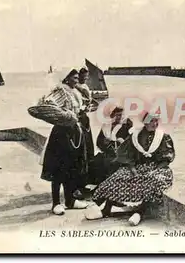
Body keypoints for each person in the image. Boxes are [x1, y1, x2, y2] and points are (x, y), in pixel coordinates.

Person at [84, 112, 175, 226]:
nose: (155, 123)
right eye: (152, 121)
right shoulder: (135, 136)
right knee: (117, 177)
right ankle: (106, 209)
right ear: (145, 122)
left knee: (152, 181)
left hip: (157, 168)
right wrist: (132, 168)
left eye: (156, 121)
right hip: (137, 166)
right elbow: (126, 154)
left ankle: (139, 212)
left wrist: (154, 170)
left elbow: (166, 158)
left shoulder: (163, 137)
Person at [40, 69, 89, 215]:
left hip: (74, 131)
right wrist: (64, 115)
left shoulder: (76, 91)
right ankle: (56, 203)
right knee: (59, 169)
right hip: (61, 134)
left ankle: (70, 200)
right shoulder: (61, 91)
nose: (76, 79)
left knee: (72, 168)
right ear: (66, 78)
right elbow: (48, 105)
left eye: (77, 77)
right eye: (73, 77)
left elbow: (78, 109)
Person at [91, 106, 134, 186]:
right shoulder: (106, 127)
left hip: (122, 153)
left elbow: (131, 140)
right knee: (98, 162)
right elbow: (98, 142)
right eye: (117, 115)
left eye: (121, 115)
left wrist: (122, 141)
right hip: (108, 152)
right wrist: (105, 143)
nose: (119, 117)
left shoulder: (127, 125)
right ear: (112, 116)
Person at [72, 67, 97, 200]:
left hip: (84, 120)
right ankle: (77, 185)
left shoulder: (83, 87)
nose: (84, 79)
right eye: (83, 76)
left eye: (86, 77)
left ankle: (83, 183)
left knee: (87, 152)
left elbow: (89, 102)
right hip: (78, 120)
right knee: (80, 153)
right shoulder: (74, 88)